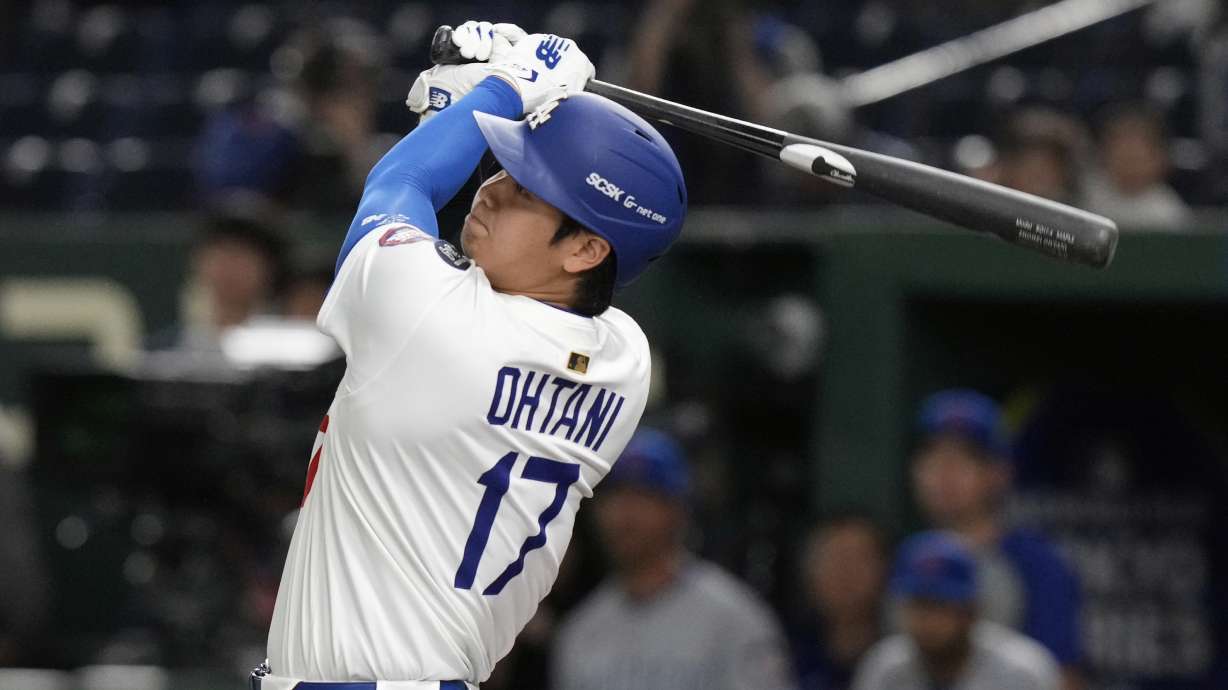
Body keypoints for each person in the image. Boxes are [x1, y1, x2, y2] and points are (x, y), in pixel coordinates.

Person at [254, 20, 687, 690]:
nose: (491, 189)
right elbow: (458, 257)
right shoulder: (622, 360)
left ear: (585, 250)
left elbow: (398, 187)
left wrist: (501, 88)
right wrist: (466, 115)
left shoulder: (435, 319)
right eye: (502, 169)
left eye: (524, 189)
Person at [552, 428, 795, 690]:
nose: (623, 514)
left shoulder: (734, 620)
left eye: (642, 496)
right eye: (613, 497)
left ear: (678, 509)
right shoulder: (579, 633)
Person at [910, 389, 1084, 690]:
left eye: (965, 458)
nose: (944, 471)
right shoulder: (901, 557)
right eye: (933, 455)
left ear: (999, 472)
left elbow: (1062, 681)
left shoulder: (1037, 564)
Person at [853, 531, 1059, 690]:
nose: (927, 620)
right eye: (919, 605)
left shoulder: (1021, 671)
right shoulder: (885, 668)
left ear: (970, 611)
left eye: (939, 605)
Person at [791, 515, 889, 690]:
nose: (845, 573)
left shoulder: (901, 653)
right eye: (833, 559)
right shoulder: (786, 650)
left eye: (858, 560)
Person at [1082, 104, 1192, 230]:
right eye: (1121, 157)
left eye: (1136, 159)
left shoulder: (1167, 212)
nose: (1129, 167)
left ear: (1158, 160)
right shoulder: (1084, 197)